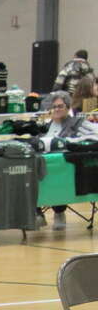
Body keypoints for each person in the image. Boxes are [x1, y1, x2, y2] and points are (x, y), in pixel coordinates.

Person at [39, 90, 98, 230]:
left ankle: (59, 213)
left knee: (55, 178)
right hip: (45, 163)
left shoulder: (77, 123)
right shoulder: (46, 126)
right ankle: (37, 213)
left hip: (66, 166)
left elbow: (96, 134)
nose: (56, 109)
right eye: (54, 107)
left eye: (60, 106)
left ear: (68, 107)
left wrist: (71, 141)